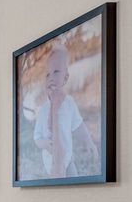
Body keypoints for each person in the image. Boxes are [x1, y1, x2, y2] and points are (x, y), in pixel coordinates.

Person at [33, 44, 99, 177]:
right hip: (51, 161)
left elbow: (79, 126)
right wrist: (45, 144)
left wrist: (90, 143)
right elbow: (37, 138)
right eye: (47, 74)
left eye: (56, 72)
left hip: (67, 158)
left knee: (73, 177)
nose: (51, 77)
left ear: (66, 78)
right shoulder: (44, 109)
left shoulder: (69, 103)